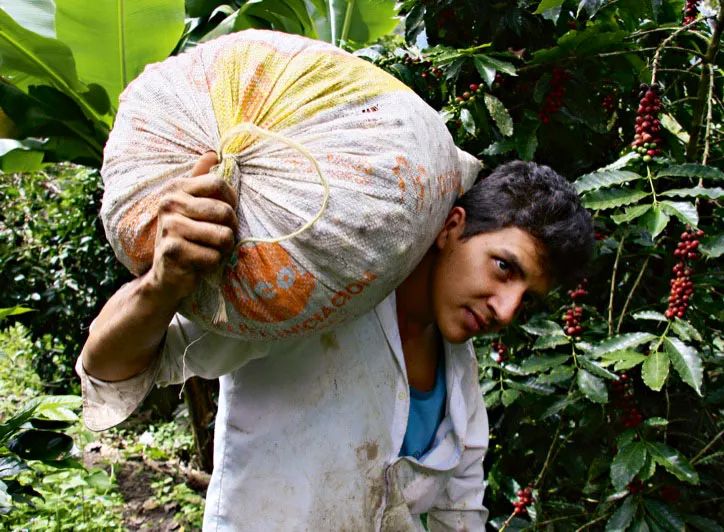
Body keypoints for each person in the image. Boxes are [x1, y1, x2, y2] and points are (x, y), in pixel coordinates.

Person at [76, 153, 593, 531]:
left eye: (526, 300)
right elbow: (108, 365)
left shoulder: (461, 379)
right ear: (452, 228)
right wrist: (160, 284)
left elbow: (460, 513)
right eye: (504, 268)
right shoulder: (317, 297)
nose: (506, 309)